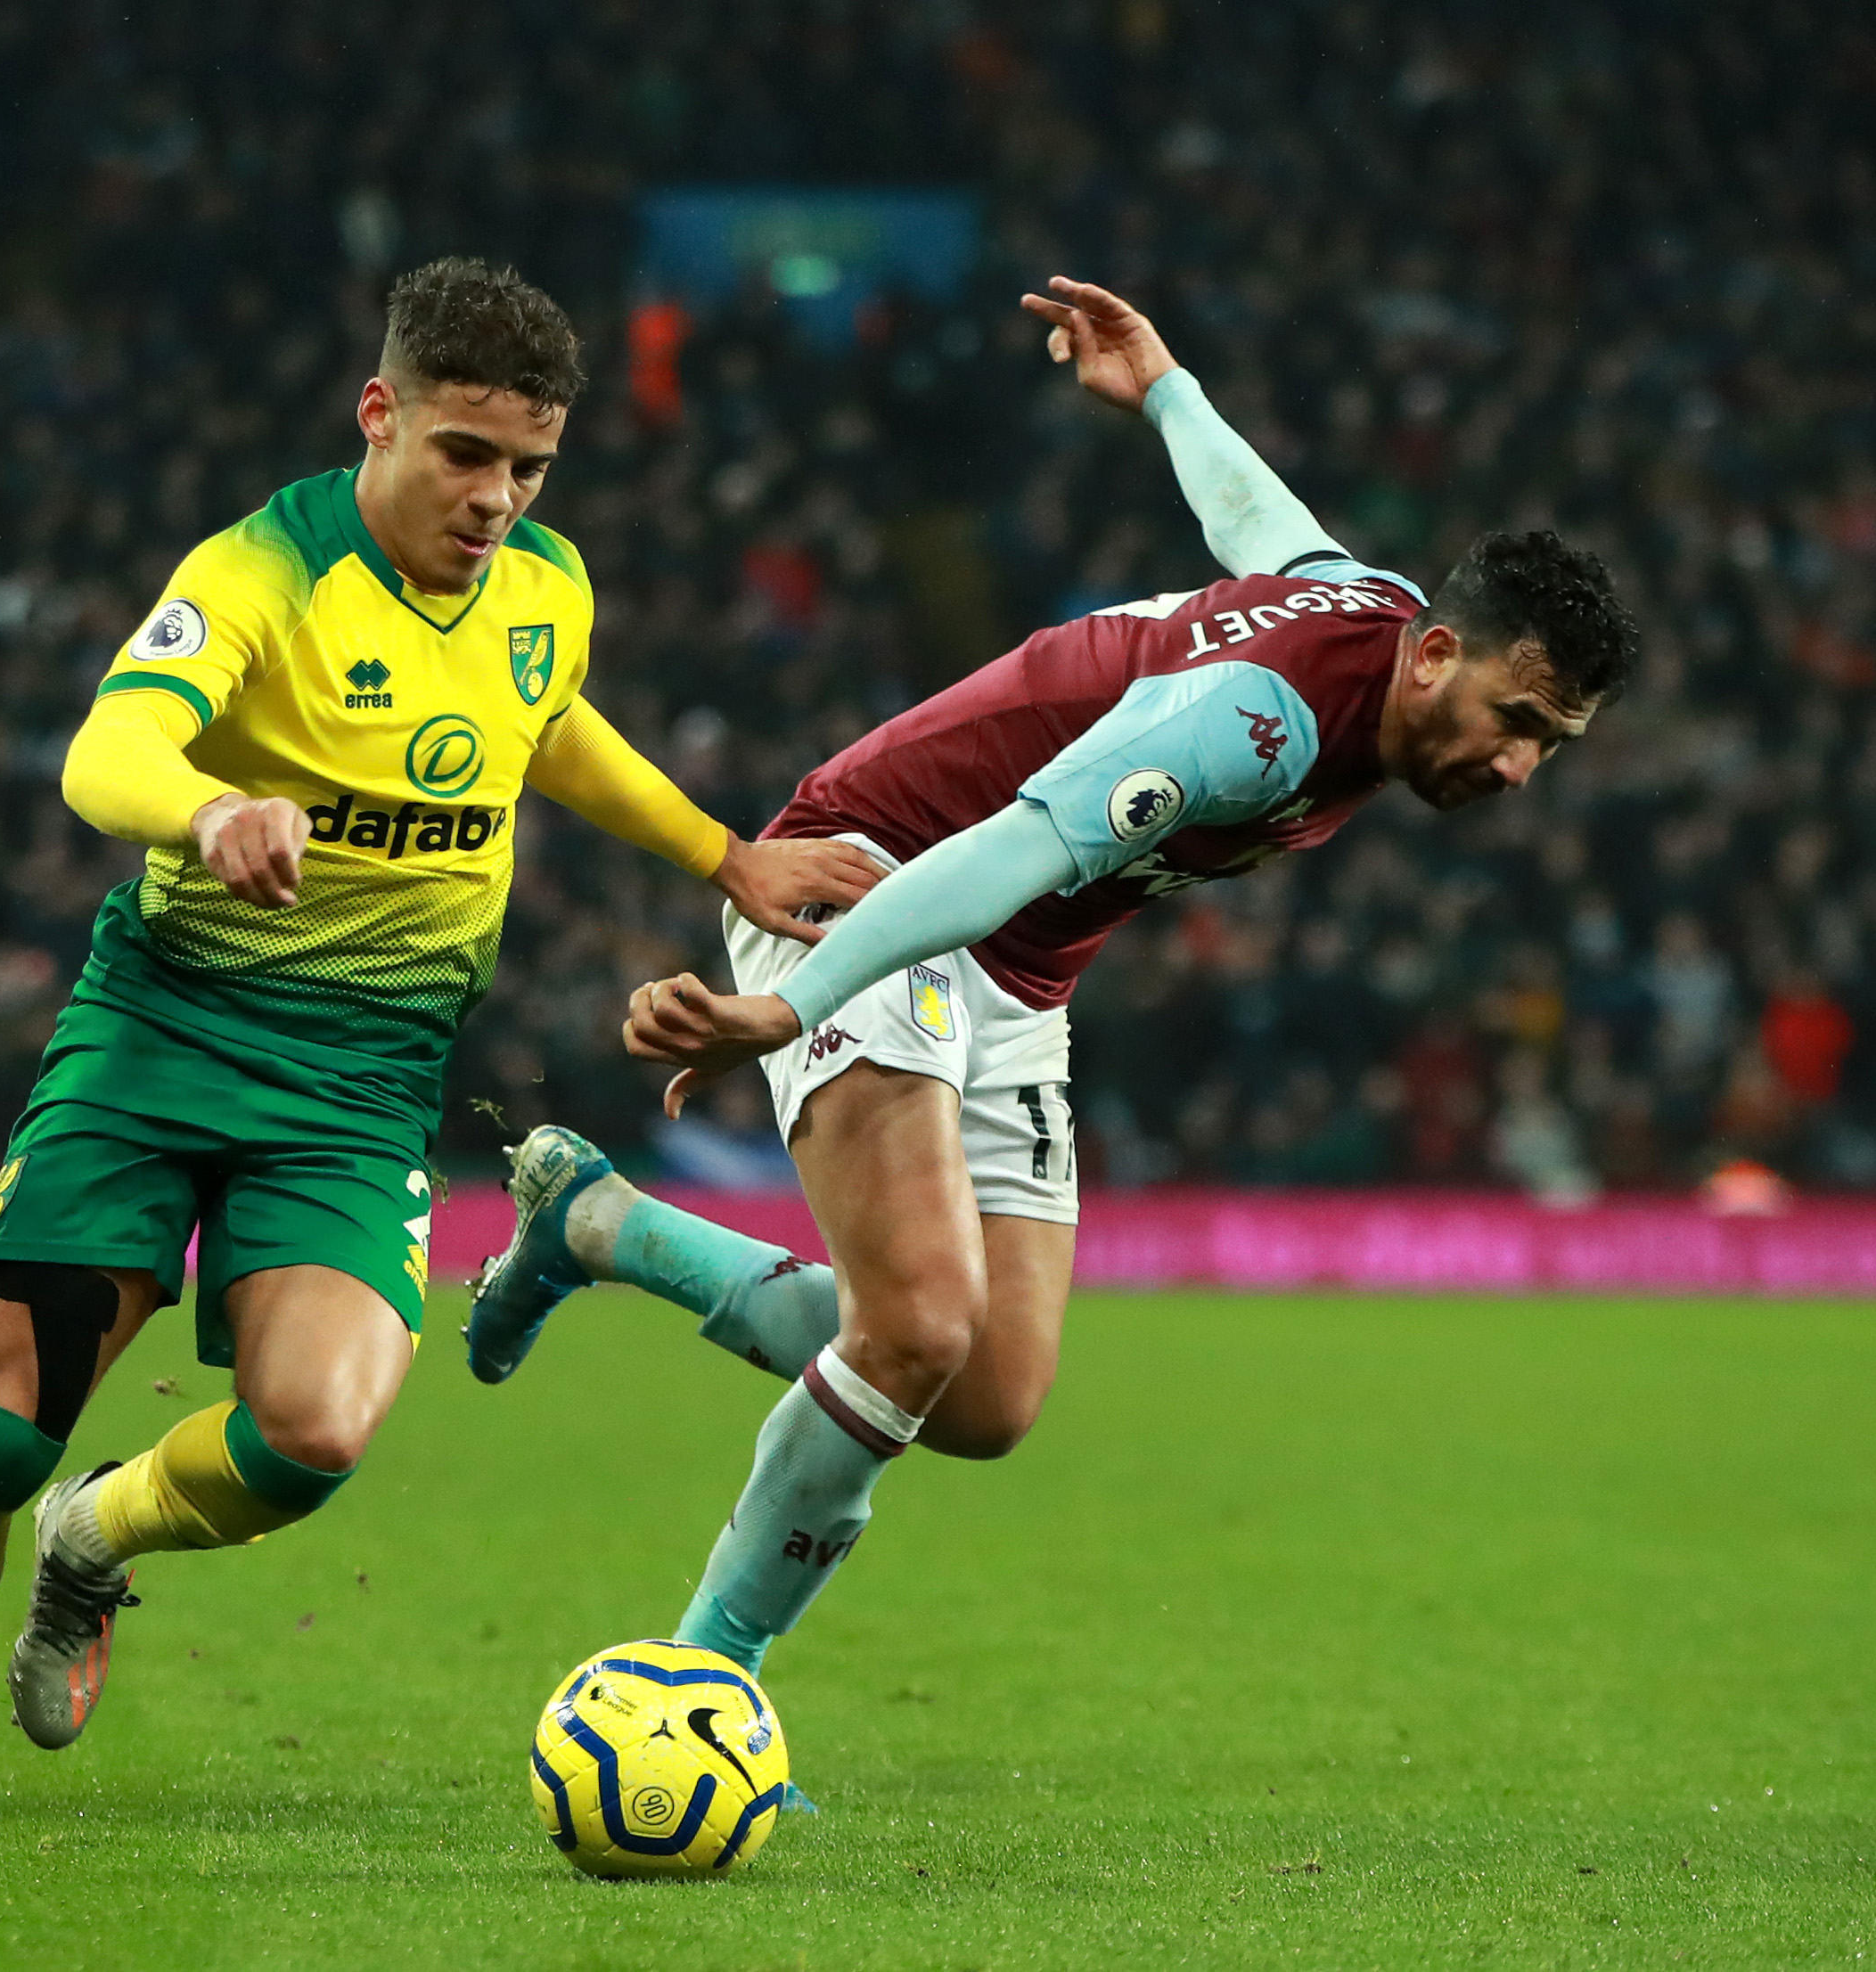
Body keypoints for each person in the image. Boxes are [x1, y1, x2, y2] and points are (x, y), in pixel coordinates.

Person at [0, 258, 880, 1820]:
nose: (496, 497)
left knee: (317, 1431)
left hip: (360, 1079)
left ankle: (94, 1543)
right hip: (161, 1032)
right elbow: (109, 743)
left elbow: (547, 722)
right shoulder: (264, 570)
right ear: (380, 415)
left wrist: (723, 855)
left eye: (528, 466)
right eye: (465, 455)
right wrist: (208, 807)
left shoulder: (547, 586)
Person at [466, 275, 1637, 1685]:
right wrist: (797, 999)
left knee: (990, 1394)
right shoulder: (1257, 727)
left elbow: (1261, 525)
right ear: (1437, 655)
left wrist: (1162, 390)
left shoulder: (1368, 612)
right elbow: (1015, 846)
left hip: (1014, 967)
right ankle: (701, 1681)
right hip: (875, 877)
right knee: (912, 1327)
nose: (1518, 769)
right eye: (1516, 723)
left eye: (1549, 748)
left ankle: (602, 1224)